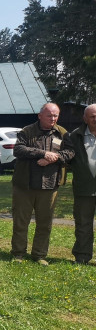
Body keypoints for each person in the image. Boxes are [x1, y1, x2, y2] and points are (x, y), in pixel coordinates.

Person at [11, 103, 72, 265]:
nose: (53, 118)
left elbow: (70, 152)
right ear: (40, 116)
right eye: (49, 115)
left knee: (45, 223)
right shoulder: (27, 131)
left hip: (50, 185)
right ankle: (18, 253)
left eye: (55, 115)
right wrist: (43, 153)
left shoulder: (62, 133)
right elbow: (18, 150)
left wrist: (54, 158)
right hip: (25, 185)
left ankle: (39, 255)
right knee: (21, 222)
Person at [63, 104, 96, 264]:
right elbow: (67, 158)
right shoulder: (74, 136)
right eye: (92, 116)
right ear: (85, 118)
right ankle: (82, 256)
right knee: (83, 225)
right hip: (84, 189)